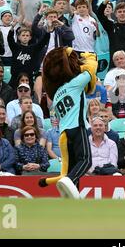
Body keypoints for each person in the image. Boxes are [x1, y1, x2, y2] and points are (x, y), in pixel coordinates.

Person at [38, 48, 98, 197]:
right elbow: (91, 70)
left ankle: (72, 198)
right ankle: (69, 181)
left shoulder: (57, 94)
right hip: (77, 127)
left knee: (71, 166)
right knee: (86, 161)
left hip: (64, 134)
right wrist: (87, 56)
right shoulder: (73, 84)